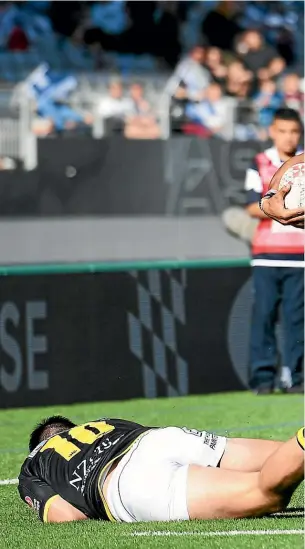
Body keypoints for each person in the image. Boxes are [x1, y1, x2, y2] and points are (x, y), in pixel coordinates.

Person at [19, 415, 304, 524]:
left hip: (128, 482)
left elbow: (68, 517)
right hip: (160, 438)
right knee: (284, 455)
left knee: (265, 495)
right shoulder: (104, 422)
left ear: (38, 445)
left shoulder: (33, 464)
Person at [245, 108, 304, 394]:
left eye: (294, 131)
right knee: (264, 316)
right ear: (272, 131)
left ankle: (296, 378)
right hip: (267, 254)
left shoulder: (303, 163)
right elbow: (249, 205)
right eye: (282, 131)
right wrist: (275, 207)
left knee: (297, 320)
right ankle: (262, 379)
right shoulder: (259, 162)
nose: (288, 137)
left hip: (300, 255)